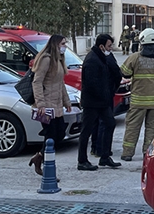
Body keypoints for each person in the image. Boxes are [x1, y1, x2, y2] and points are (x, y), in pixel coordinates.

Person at [119, 28, 154, 161]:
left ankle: (127, 153)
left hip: (138, 101)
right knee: (153, 129)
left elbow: (124, 73)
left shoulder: (135, 57)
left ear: (142, 41)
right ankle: (147, 153)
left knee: (132, 127)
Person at [29, 34, 73, 178]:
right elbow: (37, 82)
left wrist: (67, 102)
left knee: (59, 133)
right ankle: (47, 170)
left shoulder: (58, 60)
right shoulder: (46, 59)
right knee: (51, 136)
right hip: (46, 105)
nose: (65, 46)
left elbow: (60, 84)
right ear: (55, 44)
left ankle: (39, 157)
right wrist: (40, 104)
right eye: (63, 44)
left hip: (57, 104)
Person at [77, 33, 122, 171]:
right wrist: (105, 94)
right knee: (86, 130)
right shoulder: (92, 60)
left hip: (103, 101)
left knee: (110, 124)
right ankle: (82, 161)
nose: (111, 48)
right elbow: (91, 84)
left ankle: (105, 156)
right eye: (109, 46)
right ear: (101, 46)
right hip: (92, 102)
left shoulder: (102, 57)